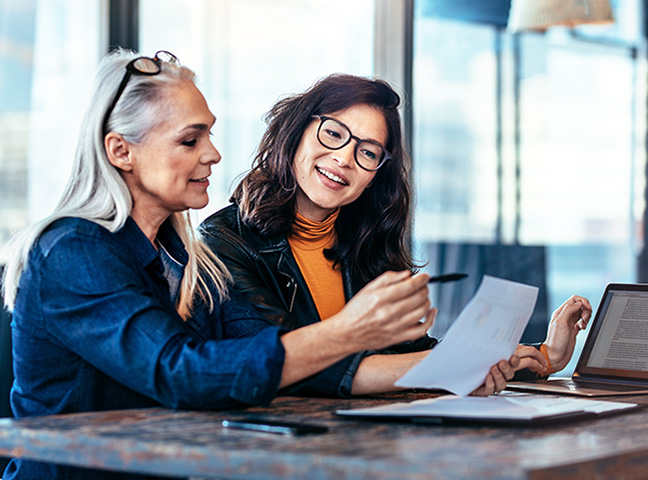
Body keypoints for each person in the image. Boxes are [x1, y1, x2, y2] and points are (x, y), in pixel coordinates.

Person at [0, 51, 523, 480]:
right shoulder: (73, 250)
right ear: (121, 151)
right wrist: (349, 330)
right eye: (190, 140)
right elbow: (183, 374)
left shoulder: (180, 254)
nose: (214, 155)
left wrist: (463, 367)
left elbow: (249, 354)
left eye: (208, 135)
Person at [199, 73, 592, 382]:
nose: (344, 159)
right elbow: (284, 364)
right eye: (333, 133)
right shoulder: (223, 241)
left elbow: (410, 353)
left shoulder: (366, 241)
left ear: (376, 174)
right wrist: (455, 368)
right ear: (296, 131)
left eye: (367, 151)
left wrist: (544, 356)